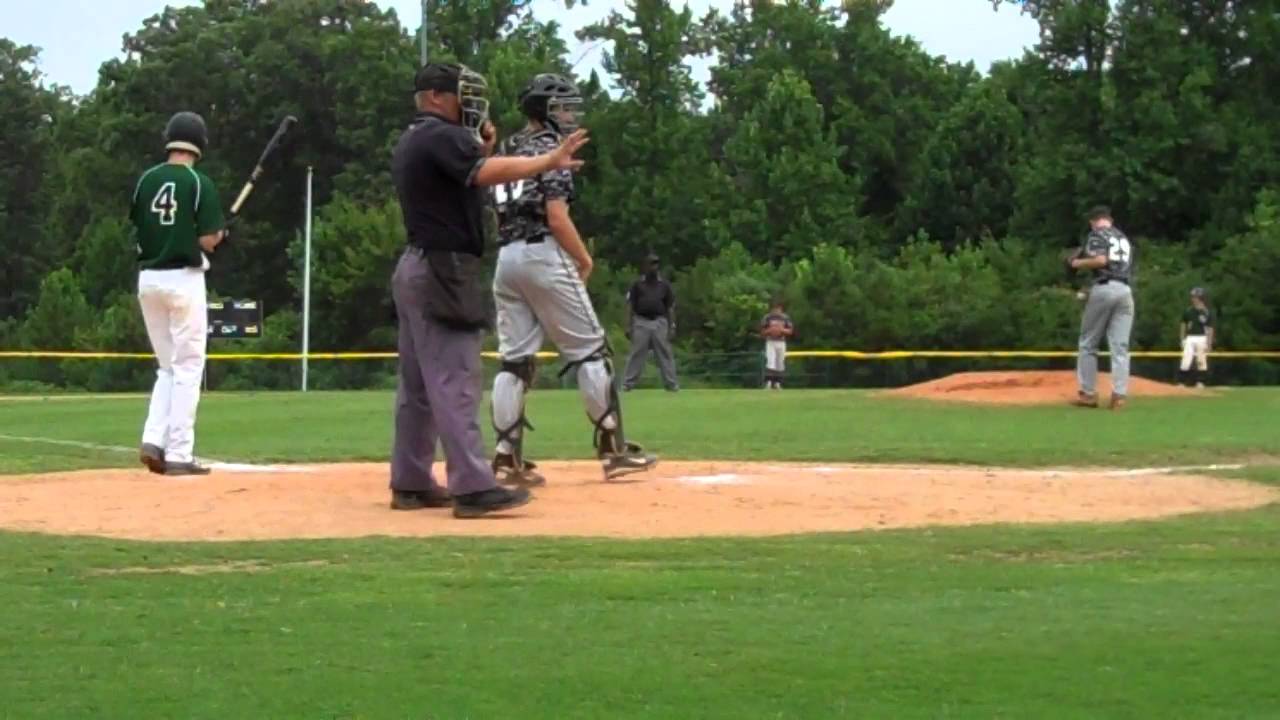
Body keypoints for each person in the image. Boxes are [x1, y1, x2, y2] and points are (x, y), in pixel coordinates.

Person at [388, 62, 588, 518]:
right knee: (455, 378)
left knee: (417, 386)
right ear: (437, 96)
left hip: (415, 265)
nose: (469, 102)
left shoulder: (414, 137)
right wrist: (547, 161)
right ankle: (473, 487)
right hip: (443, 268)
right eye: (460, 93)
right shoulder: (443, 135)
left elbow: (464, 177)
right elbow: (483, 173)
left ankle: (412, 481)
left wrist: (484, 149)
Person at [488, 73, 658, 486]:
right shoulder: (550, 149)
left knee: (514, 360)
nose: (567, 114)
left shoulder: (511, 147)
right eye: (561, 106)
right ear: (543, 110)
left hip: (506, 258)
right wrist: (583, 259)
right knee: (590, 351)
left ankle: (505, 458)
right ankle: (612, 451)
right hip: (543, 254)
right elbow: (557, 216)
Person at [132, 112, 226, 476]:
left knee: (168, 367)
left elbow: (145, 224)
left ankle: (153, 439)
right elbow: (207, 239)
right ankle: (179, 453)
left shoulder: (146, 180)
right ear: (199, 145)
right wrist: (219, 238)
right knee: (188, 366)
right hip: (183, 278)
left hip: (148, 278)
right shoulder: (197, 182)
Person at [1068, 205, 1136, 409]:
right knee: (1120, 346)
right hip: (1125, 291)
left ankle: (1088, 394)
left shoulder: (1097, 234)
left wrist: (1076, 263)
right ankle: (1119, 396)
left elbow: (1100, 260)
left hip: (1105, 288)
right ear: (1110, 220)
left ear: (1092, 221)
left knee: (1088, 343)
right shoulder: (1123, 238)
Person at [622, 254, 679, 392]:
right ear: (645, 266)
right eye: (651, 264)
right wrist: (628, 325)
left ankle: (671, 384)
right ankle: (628, 383)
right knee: (637, 353)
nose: (654, 267)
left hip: (659, 322)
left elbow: (670, 307)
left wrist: (672, 326)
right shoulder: (637, 285)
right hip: (641, 321)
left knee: (665, 353)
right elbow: (630, 306)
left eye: (656, 264)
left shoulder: (664, 285)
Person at [1179, 287, 1214, 389]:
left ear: (1200, 298)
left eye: (1195, 297)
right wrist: (1182, 338)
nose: (1193, 299)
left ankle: (1200, 382)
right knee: (1186, 359)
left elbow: (1210, 328)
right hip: (1190, 337)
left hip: (1202, 337)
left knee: (1201, 360)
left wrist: (1209, 342)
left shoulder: (1207, 312)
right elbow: (1183, 324)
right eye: (1193, 297)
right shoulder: (1188, 311)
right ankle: (1181, 382)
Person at [759, 301, 794, 390]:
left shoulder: (785, 318)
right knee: (771, 361)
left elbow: (790, 331)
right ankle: (769, 382)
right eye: (775, 309)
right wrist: (770, 330)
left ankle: (778, 382)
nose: (776, 311)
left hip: (781, 342)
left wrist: (781, 330)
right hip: (771, 341)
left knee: (780, 362)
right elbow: (762, 332)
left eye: (778, 308)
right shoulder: (767, 317)